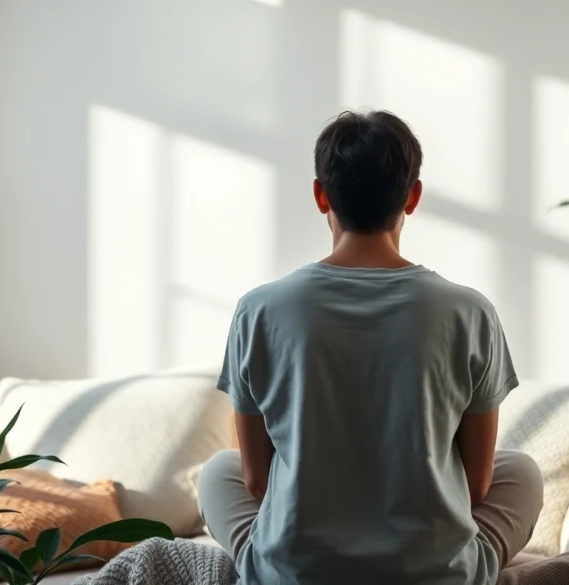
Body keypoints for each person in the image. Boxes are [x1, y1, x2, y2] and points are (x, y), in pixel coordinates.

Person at [197, 110, 543, 585]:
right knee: (521, 472)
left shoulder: (258, 310)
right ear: (412, 196)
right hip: (431, 573)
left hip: (300, 571)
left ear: (321, 195)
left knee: (219, 471)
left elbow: (256, 482)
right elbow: (479, 486)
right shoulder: (469, 311)